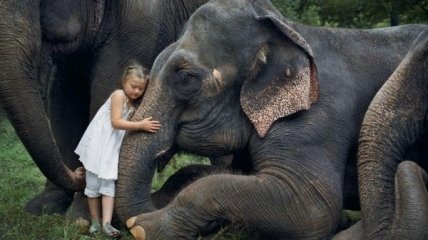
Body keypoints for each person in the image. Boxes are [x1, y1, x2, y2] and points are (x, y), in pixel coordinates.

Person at [75, 63, 161, 238]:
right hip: (99, 145)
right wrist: (141, 125)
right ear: (124, 82)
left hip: (111, 148)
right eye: (133, 86)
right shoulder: (119, 95)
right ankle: (95, 222)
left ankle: (107, 224)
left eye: (141, 88)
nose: (136, 91)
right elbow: (115, 122)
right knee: (92, 186)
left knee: (108, 186)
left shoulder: (132, 103)